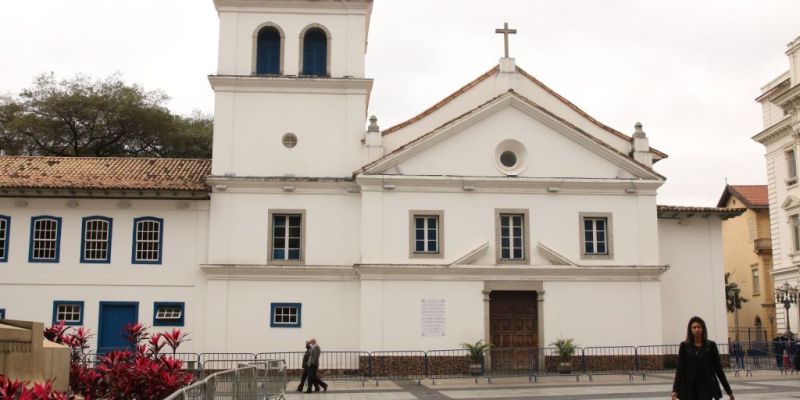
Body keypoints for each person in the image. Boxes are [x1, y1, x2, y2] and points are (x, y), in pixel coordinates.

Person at [672, 316, 734, 400]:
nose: (696, 329)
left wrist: (729, 392)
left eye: (699, 327)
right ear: (690, 330)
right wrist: (675, 390)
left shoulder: (711, 346)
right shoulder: (684, 346)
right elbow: (680, 369)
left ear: (703, 329)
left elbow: (718, 369)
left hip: (706, 386)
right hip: (689, 386)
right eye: (694, 327)